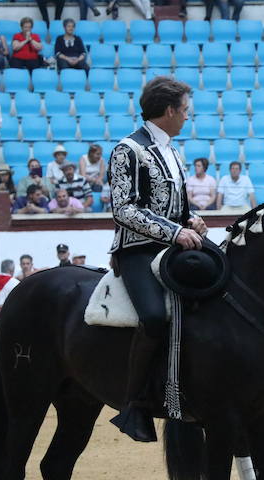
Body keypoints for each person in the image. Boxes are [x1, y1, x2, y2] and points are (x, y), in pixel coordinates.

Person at [107, 76, 208, 442]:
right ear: (168, 111)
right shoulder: (128, 149)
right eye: (184, 111)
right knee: (152, 316)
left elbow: (175, 207)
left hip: (171, 246)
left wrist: (191, 219)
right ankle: (133, 404)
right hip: (137, 250)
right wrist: (176, 232)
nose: (186, 118)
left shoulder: (172, 151)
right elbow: (125, 211)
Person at [79, 144, 107, 210]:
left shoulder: (102, 160)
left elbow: (101, 176)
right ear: (91, 153)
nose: (99, 156)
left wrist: (98, 180)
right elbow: (83, 175)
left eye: (100, 154)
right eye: (97, 154)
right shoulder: (83, 159)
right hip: (84, 182)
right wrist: (94, 180)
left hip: (96, 183)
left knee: (101, 187)